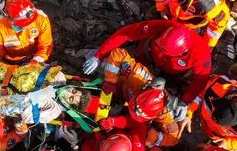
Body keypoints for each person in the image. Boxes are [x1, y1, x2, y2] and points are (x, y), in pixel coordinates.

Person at [84, 20, 212, 106]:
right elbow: (127, 32)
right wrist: (99, 55)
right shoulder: (162, 27)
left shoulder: (201, 54)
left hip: (173, 71)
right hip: (149, 53)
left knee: (170, 81)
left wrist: (185, 102)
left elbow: (200, 79)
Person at [0, 0, 54, 64]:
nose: (29, 26)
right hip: (9, 60)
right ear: (9, 19)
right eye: (24, 24)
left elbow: (46, 46)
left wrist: (35, 63)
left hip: (32, 56)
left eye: (31, 22)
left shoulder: (41, 19)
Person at [79, 116, 148, 151]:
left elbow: (85, 143)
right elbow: (139, 124)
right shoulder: (137, 150)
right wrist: (114, 122)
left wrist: (90, 131)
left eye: (103, 143)